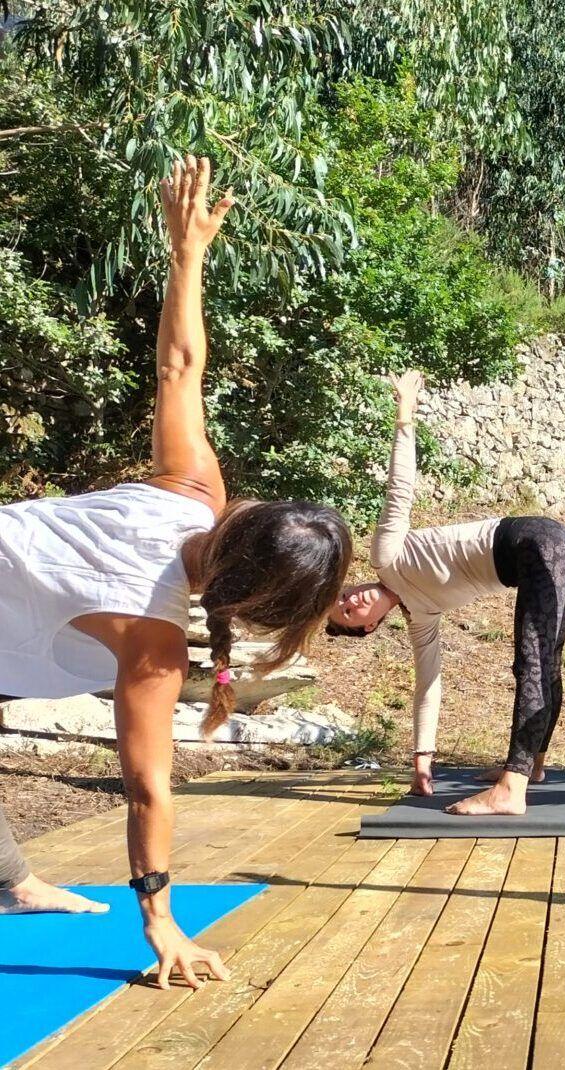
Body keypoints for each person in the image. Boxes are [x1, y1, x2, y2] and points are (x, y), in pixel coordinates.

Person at [0, 157, 352, 989]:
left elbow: (178, 367)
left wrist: (186, 252)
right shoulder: (151, 643)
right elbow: (149, 790)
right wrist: (160, 923)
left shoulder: (194, 488)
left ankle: (12, 884)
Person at [326, 370, 565, 817]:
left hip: (533, 543)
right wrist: (422, 759)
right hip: (551, 551)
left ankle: (511, 789)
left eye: (345, 595)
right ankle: (533, 766)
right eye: (348, 613)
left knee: (534, 661)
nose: (353, 600)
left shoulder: (386, 556)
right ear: (369, 626)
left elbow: (399, 490)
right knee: (547, 661)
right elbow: (428, 685)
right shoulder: (421, 618)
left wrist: (404, 414)